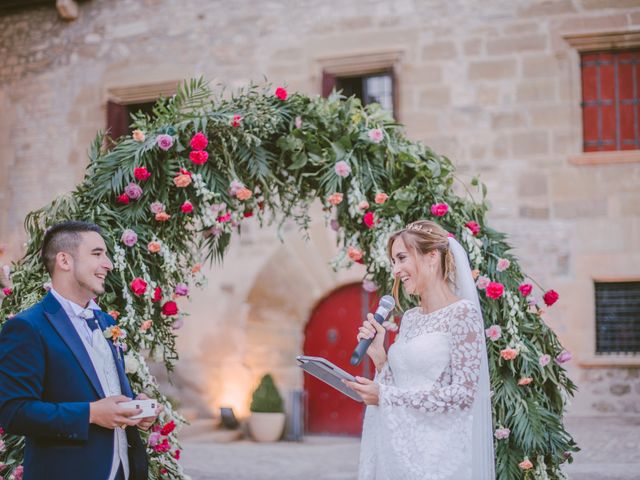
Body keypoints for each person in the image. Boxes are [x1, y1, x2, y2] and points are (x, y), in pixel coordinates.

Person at [0, 221, 161, 480]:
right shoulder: (27, 327)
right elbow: (14, 413)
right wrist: (92, 413)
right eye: (97, 254)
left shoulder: (107, 322)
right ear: (64, 260)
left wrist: (135, 408)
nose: (108, 264)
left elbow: (102, 389)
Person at [344, 220, 495, 480]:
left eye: (402, 258)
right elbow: (401, 384)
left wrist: (386, 397)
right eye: (393, 261)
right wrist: (380, 359)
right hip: (401, 447)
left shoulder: (463, 314)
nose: (396, 270)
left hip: (438, 456)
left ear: (432, 257)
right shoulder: (411, 317)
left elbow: (463, 395)